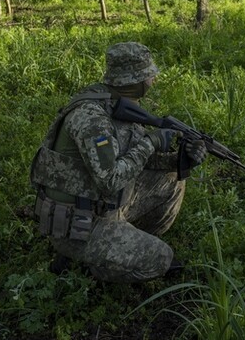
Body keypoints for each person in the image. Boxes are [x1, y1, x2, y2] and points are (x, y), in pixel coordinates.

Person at [29, 42, 207, 282]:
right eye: (148, 75)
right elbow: (110, 180)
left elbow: (132, 160)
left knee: (172, 177)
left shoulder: (113, 102)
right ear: (133, 80)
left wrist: (180, 159)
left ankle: (125, 242)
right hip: (78, 226)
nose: (153, 80)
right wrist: (151, 142)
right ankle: (85, 265)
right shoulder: (92, 118)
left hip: (100, 208)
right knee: (162, 259)